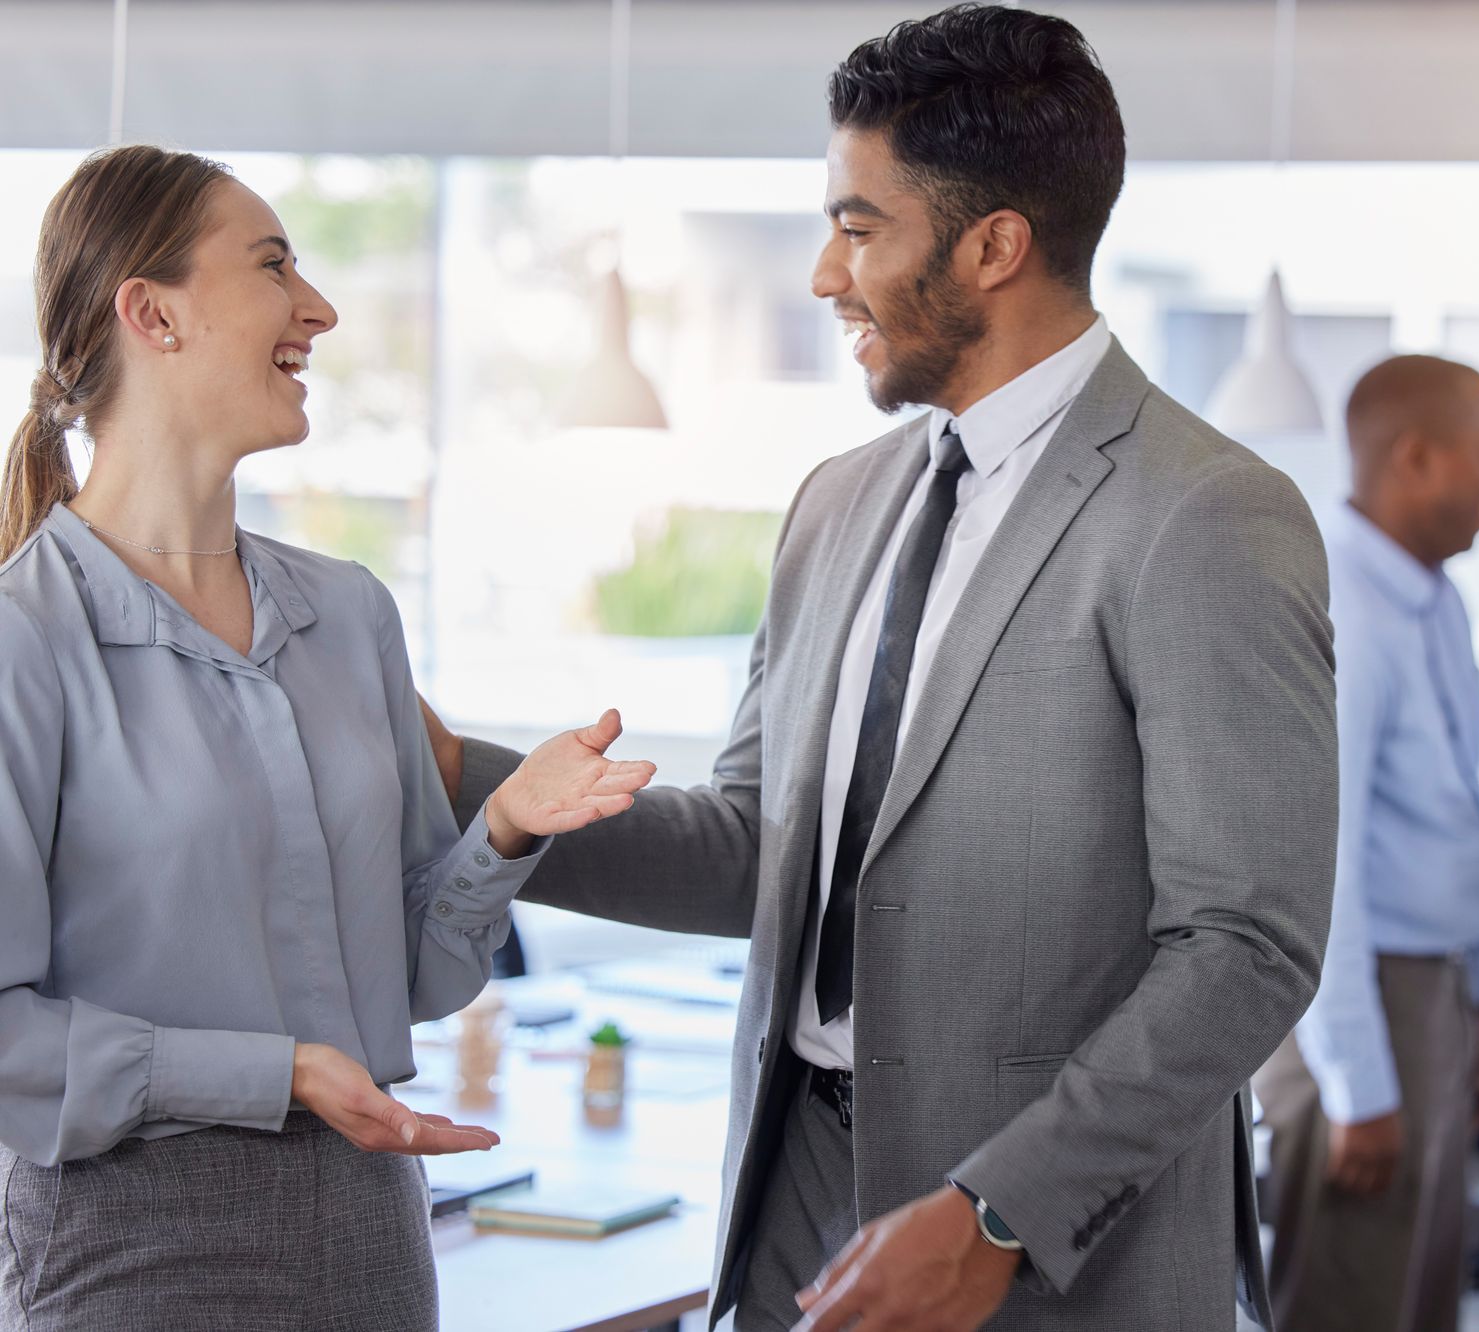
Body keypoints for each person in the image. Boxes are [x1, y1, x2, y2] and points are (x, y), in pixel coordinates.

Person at [423, 6, 1336, 1328]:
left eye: (859, 229)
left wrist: (996, 1211)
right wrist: (457, 773)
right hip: (791, 1187)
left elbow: (1246, 946)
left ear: (995, 246)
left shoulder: (1206, 516)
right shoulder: (836, 505)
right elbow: (751, 850)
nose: (821, 276)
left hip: (1045, 1244)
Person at [0, 145, 657, 1331]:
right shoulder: (22, 642)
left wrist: (503, 831)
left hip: (370, 1234)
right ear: (152, 314)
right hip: (131, 1251)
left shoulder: (351, 614)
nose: (321, 308)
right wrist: (277, 1074)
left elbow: (403, 982)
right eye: (272, 265)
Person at [1252, 354, 1479, 1332]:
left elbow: (1455, 816)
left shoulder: (1434, 600)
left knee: (1419, 1296)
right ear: (1416, 458)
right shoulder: (1341, 610)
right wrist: (1358, 1083)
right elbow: (1322, 860)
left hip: (1428, 985)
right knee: (1352, 1304)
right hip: (1361, 1005)